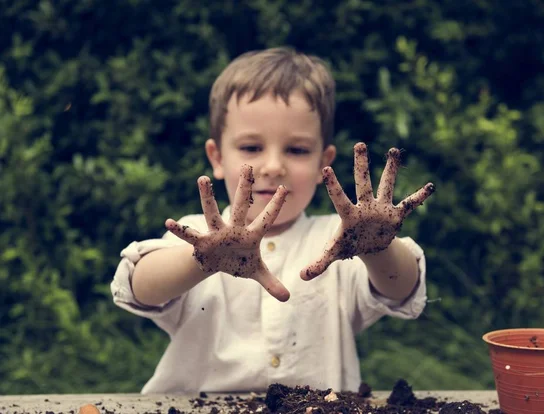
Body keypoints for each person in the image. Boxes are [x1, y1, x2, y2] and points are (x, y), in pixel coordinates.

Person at [110, 47, 435, 395]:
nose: (272, 166)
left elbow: (402, 288)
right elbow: (138, 287)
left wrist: (374, 247)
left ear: (322, 163)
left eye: (296, 150)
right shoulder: (199, 235)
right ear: (216, 157)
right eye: (251, 147)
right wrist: (203, 260)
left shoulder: (336, 239)